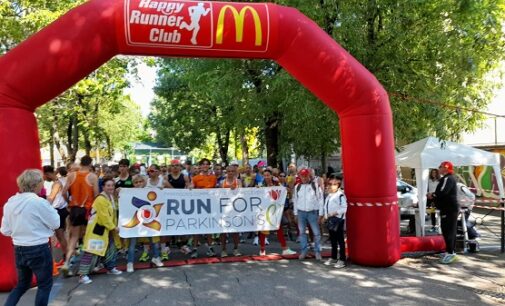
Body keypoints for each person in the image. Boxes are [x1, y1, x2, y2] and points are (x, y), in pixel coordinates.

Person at [1, 169, 60, 306]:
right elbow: (56, 223)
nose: (43, 185)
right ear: (35, 185)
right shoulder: (39, 202)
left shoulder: (10, 203)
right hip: (38, 248)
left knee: (22, 284)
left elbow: (5, 230)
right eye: (42, 182)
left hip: (19, 248)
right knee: (44, 285)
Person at [77, 177, 122, 284]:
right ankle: (82, 275)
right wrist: (113, 227)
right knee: (91, 252)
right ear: (103, 187)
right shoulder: (101, 199)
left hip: (107, 230)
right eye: (108, 185)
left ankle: (110, 268)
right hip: (97, 230)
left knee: (111, 249)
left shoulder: (110, 197)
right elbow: (104, 217)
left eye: (112, 185)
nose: (111, 187)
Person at [61, 155, 99, 275]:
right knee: (89, 237)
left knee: (74, 238)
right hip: (87, 210)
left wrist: (69, 203)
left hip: (74, 208)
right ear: (90, 164)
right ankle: (87, 265)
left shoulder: (72, 175)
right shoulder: (92, 176)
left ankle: (67, 263)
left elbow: (63, 192)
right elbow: (96, 194)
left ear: (81, 163)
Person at [126, 175, 163, 272]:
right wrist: (119, 189)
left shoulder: (149, 190)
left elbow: (158, 193)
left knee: (153, 240)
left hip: (148, 220)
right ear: (133, 184)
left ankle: (156, 257)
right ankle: (130, 263)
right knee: (132, 243)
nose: (138, 184)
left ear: (144, 182)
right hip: (136, 221)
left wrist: (160, 190)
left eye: (140, 181)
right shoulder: (129, 192)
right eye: (136, 182)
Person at [258, 169, 296, 256]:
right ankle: (262, 250)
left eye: (268, 175)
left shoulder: (277, 184)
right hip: (264, 211)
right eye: (265, 175)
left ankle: (285, 248)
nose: (267, 177)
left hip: (275, 211)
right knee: (263, 230)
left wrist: (286, 188)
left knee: (279, 229)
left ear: (271, 176)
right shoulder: (260, 185)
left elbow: (286, 191)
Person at [427, 161, 459, 264]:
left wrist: (433, 195)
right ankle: (450, 251)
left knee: (448, 230)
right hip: (448, 208)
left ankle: (451, 253)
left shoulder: (447, 178)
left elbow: (442, 192)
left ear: (445, 168)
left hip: (449, 209)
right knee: (448, 230)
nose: (439, 168)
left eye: (440, 167)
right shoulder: (447, 178)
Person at [293, 168, 324, 260]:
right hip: (301, 212)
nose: (304, 178)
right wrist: (295, 213)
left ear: (309, 176)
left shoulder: (315, 186)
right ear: (300, 177)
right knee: (302, 233)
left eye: (306, 176)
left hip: (313, 212)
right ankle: (304, 251)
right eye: (302, 176)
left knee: (316, 233)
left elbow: (321, 200)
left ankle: (317, 251)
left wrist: (321, 214)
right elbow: (295, 200)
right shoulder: (297, 187)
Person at [189, 158, 217, 258]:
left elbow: (216, 190)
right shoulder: (195, 178)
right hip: (198, 206)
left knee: (209, 228)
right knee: (197, 228)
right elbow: (191, 187)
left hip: (210, 206)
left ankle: (210, 248)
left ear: (209, 166)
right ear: (200, 166)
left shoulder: (213, 177)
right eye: (203, 164)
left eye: (207, 164)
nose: (205, 166)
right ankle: (195, 249)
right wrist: (191, 188)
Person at [42, 165, 68, 264]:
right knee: (61, 236)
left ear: (48, 174)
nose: (44, 179)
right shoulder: (60, 181)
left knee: (60, 236)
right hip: (61, 210)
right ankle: (67, 258)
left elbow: (51, 198)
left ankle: (67, 259)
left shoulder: (57, 183)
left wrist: (41, 200)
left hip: (59, 211)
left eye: (44, 176)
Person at [323, 175, 347, 268]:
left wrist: (334, 213)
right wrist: (325, 216)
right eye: (330, 184)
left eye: (334, 184)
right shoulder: (329, 195)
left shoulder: (340, 195)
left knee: (340, 240)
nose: (332, 186)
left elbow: (344, 208)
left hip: (338, 220)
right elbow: (326, 206)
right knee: (333, 240)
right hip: (331, 220)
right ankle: (333, 257)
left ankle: (342, 259)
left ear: (338, 185)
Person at [219, 166, 242, 257]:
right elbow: (219, 195)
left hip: (235, 209)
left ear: (235, 172)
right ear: (226, 172)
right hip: (224, 209)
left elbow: (242, 193)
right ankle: (223, 250)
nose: (230, 173)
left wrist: (235, 190)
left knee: (235, 230)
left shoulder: (238, 182)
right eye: (229, 171)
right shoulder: (222, 182)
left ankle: (236, 248)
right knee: (223, 231)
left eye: (232, 171)